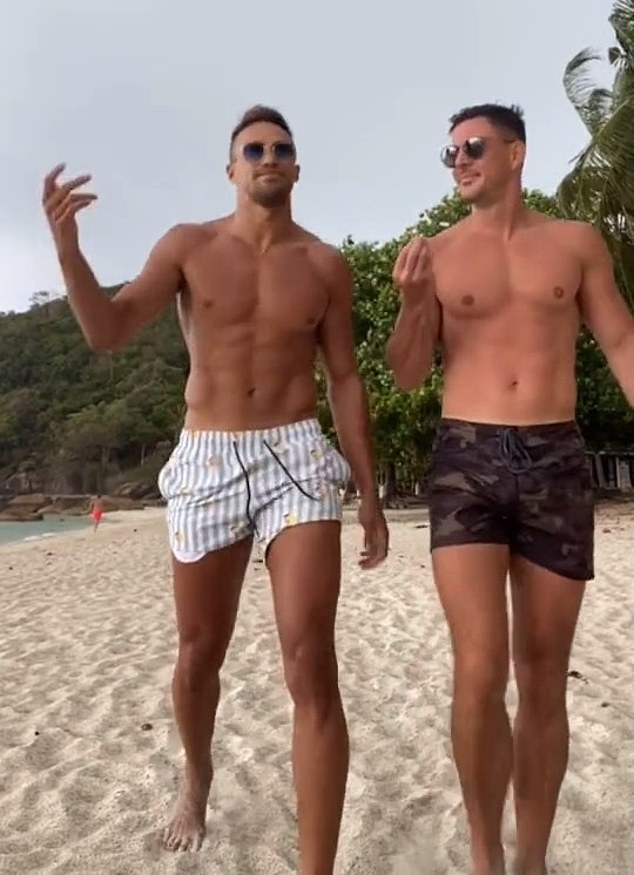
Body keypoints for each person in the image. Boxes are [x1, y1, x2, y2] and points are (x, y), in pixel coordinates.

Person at [42, 104, 389, 875]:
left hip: (299, 456)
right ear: (231, 169)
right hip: (209, 457)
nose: (269, 156)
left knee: (310, 660)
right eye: (253, 148)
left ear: (297, 168)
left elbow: (344, 378)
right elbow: (107, 330)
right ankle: (196, 773)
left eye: (282, 148)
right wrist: (69, 252)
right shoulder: (188, 246)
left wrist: (365, 488)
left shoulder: (325, 264)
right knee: (201, 653)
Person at [386, 103, 634, 875]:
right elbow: (404, 373)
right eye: (448, 151)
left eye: (472, 146)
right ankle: (486, 854)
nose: (457, 160)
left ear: (516, 153)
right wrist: (409, 303)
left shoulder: (575, 244)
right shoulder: (434, 254)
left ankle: (532, 859)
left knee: (542, 676)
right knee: (480, 667)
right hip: (467, 458)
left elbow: (620, 337)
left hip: (556, 456)